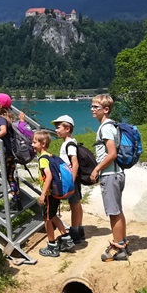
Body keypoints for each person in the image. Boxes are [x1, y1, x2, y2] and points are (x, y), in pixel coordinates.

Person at [89, 93, 130, 262]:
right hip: (116, 173)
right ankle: (122, 244)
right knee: (117, 211)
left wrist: (96, 169)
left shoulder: (105, 128)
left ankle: (118, 248)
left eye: (95, 107)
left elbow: (111, 153)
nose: (92, 110)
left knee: (113, 212)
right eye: (91, 106)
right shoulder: (109, 126)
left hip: (110, 175)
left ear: (106, 110)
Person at [35, 130, 74, 257]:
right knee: (53, 216)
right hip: (55, 193)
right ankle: (67, 239)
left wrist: (42, 194)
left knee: (47, 219)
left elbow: (49, 175)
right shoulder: (51, 155)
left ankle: (52, 246)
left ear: (43, 144)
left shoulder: (42, 159)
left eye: (35, 142)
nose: (32, 145)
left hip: (49, 194)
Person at [51, 114, 85, 245]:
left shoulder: (69, 144)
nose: (56, 130)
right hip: (72, 178)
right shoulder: (68, 143)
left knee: (74, 205)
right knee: (77, 204)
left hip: (71, 179)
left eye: (58, 127)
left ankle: (75, 232)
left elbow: (74, 163)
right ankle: (79, 228)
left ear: (67, 129)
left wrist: (71, 180)